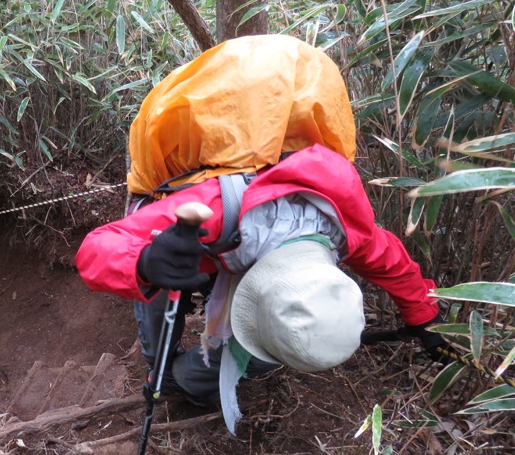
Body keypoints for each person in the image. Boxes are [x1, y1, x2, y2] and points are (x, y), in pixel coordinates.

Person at [75, 34, 448, 432]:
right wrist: (146, 262)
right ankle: (162, 372)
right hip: (212, 188)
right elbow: (98, 248)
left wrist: (425, 318)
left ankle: (189, 371)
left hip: (263, 166)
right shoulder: (214, 210)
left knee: (273, 340)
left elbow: (395, 264)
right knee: (161, 290)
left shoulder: (345, 228)